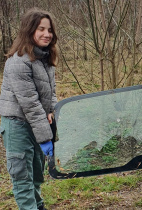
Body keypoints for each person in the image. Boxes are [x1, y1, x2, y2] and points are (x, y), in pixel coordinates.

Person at [0, 7, 58, 210]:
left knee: (36, 175)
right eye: (41, 29)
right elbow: (30, 104)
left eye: (49, 29)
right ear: (29, 30)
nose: (46, 34)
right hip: (18, 126)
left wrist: (51, 110)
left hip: (37, 123)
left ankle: (38, 205)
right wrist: (45, 137)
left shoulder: (45, 58)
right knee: (22, 177)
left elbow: (50, 91)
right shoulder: (18, 61)